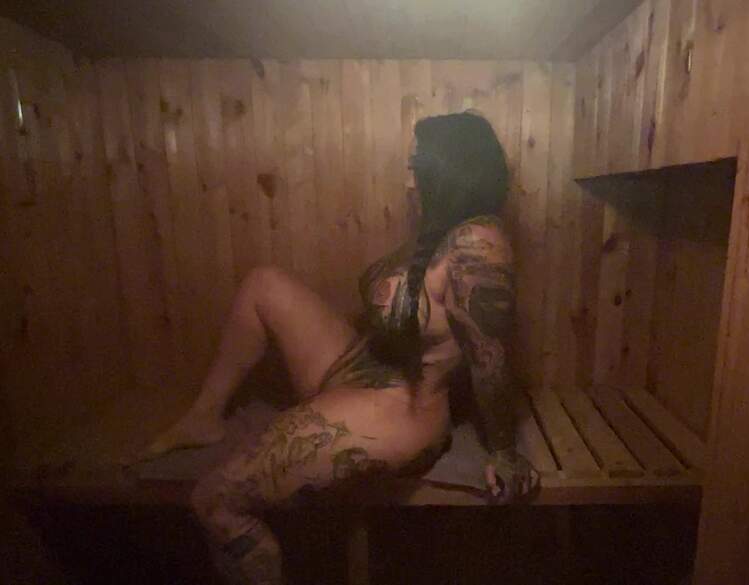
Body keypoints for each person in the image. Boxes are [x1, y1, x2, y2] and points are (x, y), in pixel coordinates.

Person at [140, 111, 539, 584]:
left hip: (401, 404)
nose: (408, 180)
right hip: (357, 367)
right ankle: (204, 415)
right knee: (264, 283)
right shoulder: (436, 232)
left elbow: (489, 357)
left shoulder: (478, 242)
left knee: (215, 500)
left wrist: (504, 451)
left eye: (417, 166)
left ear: (449, 168)